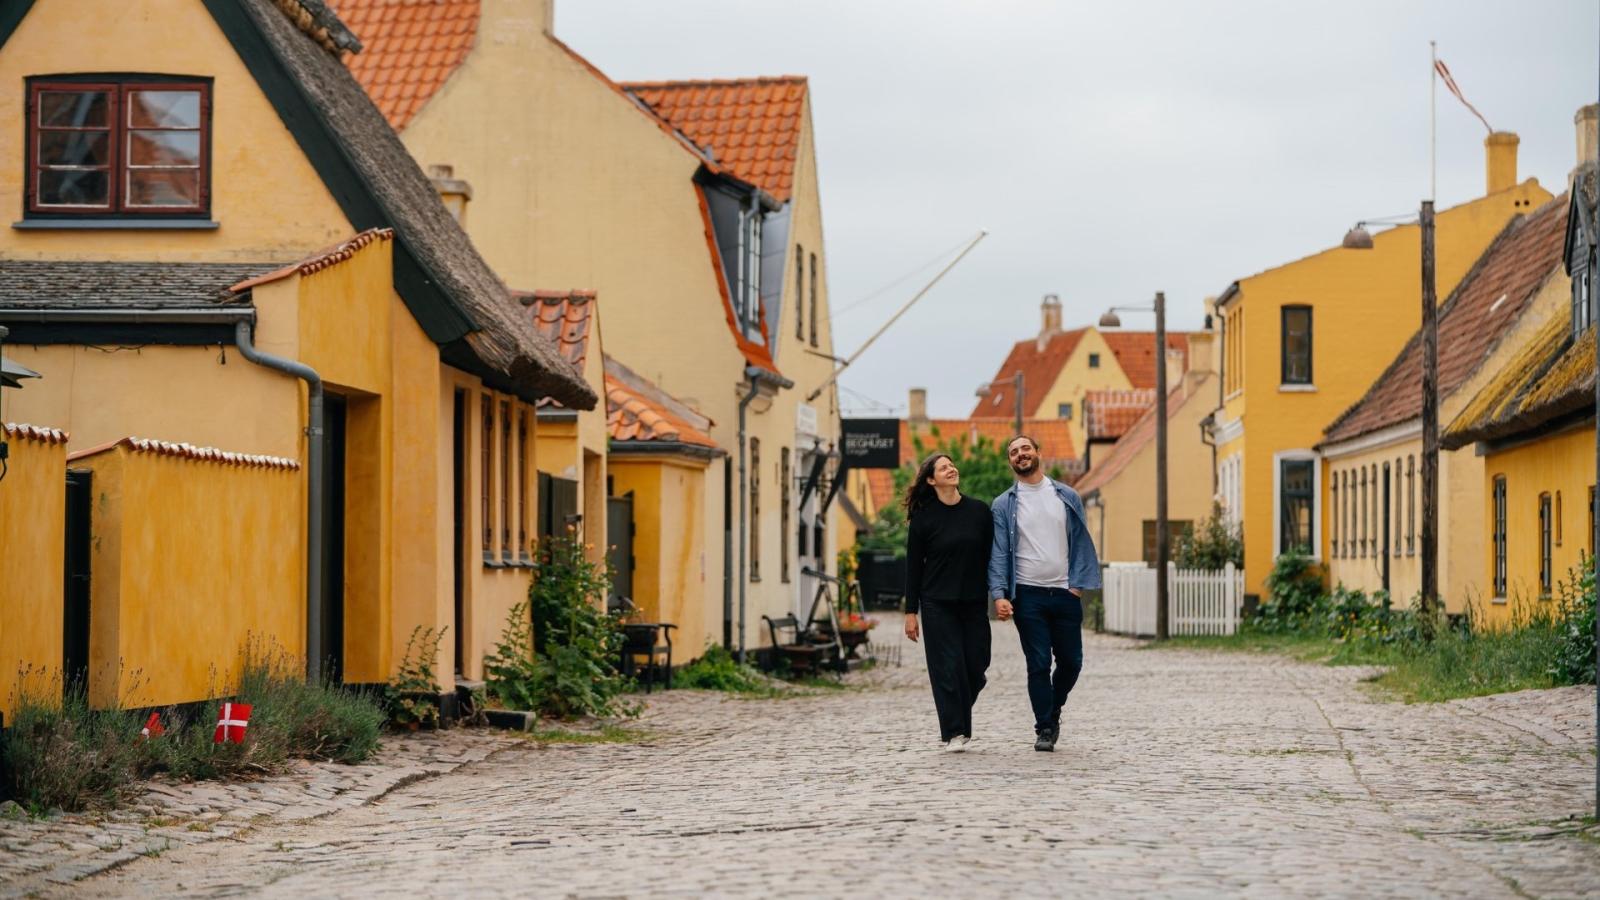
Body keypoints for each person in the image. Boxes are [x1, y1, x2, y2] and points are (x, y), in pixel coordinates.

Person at [988, 435, 1101, 751]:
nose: (1020, 454)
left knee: (1071, 662)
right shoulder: (1003, 504)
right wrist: (999, 594)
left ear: (1038, 453)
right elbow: (998, 552)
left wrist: (1077, 585)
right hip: (1027, 596)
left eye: (1025, 448)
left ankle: (1054, 709)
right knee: (1037, 663)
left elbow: (1080, 541)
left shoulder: (1066, 496)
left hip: (1065, 593)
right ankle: (1044, 729)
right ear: (1010, 461)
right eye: (1013, 452)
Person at [903, 453, 993, 752]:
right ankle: (954, 731)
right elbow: (913, 566)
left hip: (973, 601)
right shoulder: (923, 519)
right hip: (936, 602)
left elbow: (994, 557)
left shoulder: (980, 511)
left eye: (952, 464)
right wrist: (910, 612)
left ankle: (957, 715)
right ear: (931, 480)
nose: (951, 469)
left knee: (977, 666)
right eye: (943, 467)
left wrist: (1001, 594)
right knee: (947, 667)